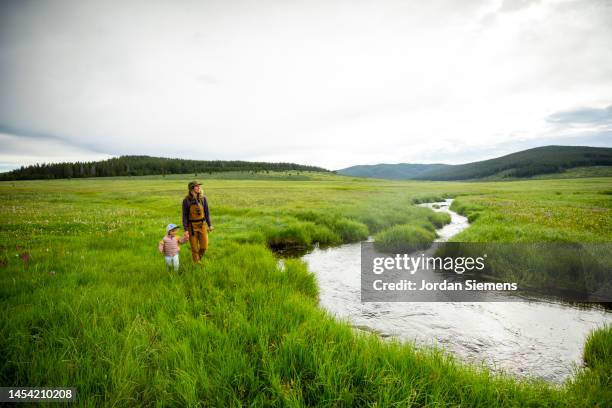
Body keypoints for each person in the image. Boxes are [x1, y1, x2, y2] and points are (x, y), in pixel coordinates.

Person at [183, 181, 214, 264]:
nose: (199, 187)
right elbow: (184, 216)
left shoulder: (203, 199)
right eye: (196, 186)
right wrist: (186, 230)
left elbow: (207, 213)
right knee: (194, 248)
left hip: (202, 225)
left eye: (199, 186)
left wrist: (210, 225)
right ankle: (196, 263)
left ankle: (197, 259)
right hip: (191, 227)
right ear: (191, 189)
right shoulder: (186, 201)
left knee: (204, 247)